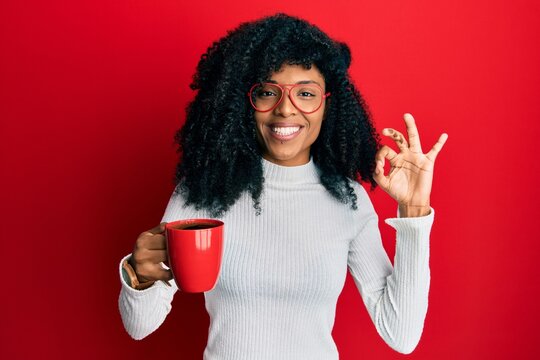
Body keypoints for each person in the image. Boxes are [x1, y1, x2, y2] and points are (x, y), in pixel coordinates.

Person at [118, 12, 448, 359]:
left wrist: (414, 213)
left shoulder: (348, 200)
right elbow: (140, 326)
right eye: (267, 92)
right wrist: (139, 275)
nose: (286, 110)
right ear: (244, 103)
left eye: (305, 93)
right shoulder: (204, 190)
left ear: (327, 106)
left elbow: (402, 333)